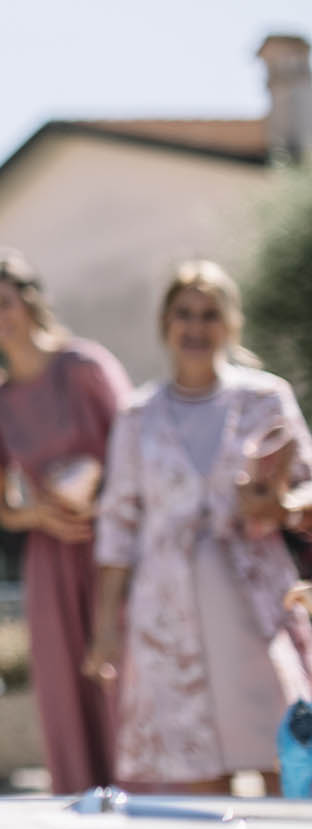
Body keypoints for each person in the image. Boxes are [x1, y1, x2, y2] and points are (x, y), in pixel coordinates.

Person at [86, 260, 312, 794]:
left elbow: (308, 486)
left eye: (209, 314)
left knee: (285, 764)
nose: (195, 326)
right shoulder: (137, 414)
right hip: (167, 616)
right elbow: (118, 526)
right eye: (184, 314)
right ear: (166, 324)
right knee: (196, 783)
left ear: (229, 325)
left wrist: (278, 507)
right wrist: (104, 631)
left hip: (255, 606)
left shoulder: (265, 398)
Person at [0, 251, 128, 793]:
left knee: (126, 676)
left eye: (5, 302)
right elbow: (2, 507)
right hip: (50, 558)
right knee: (65, 684)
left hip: (114, 548)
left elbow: (135, 449)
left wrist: (96, 496)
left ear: (30, 302)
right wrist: (42, 516)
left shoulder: (85, 367)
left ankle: (151, 797)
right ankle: (83, 806)